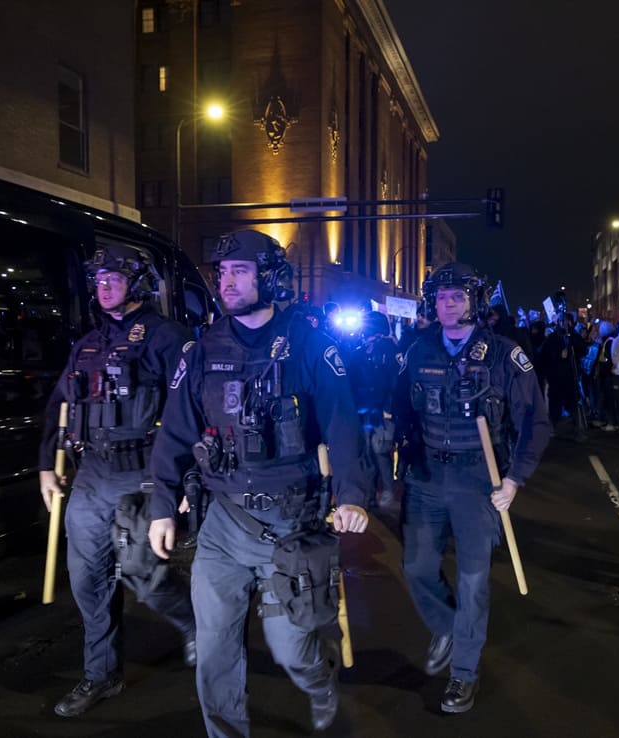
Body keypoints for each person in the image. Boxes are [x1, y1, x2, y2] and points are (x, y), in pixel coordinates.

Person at [146, 229, 371, 736]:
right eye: (223, 272)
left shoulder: (311, 346)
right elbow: (175, 433)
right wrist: (162, 504)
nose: (226, 282)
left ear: (269, 278)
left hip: (290, 523)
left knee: (291, 648)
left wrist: (352, 496)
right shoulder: (202, 350)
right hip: (221, 522)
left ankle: (318, 678)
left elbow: (343, 428)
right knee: (215, 651)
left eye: (240, 271)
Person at [38, 244, 196, 718]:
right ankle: (102, 674)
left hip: (145, 470)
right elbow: (59, 404)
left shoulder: (167, 338)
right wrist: (47, 463)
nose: (104, 287)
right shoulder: (87, 343)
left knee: (143, 572)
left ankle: (194, 623)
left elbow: (190, 411)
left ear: (138, 284)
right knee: (87, 578)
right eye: (99, 280)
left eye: (114, 279)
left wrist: (184, 480)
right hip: (92, 473)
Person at [394, 262, 550, 714]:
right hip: (426, 477)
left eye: (457, 297)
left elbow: (535, 422)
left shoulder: (503, 355)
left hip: (479, 480)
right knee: (417, 567)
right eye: (441, 297)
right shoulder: (418, 349)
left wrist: (515, 479)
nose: (447, 305)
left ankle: (464, 672)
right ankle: (447, 626)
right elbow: (399, 407)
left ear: (475, 302)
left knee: (473, 580)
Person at [348, 311, 399, 508]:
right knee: (367, 452)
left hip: (381, 411)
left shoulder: (389, 349)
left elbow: (395, 380)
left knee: (380, 451)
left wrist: (389, 407)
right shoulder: (360, 351)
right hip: (365, 409)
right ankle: (369, 494)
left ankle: (386, 490)